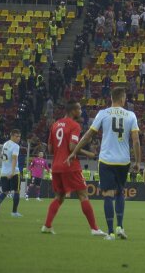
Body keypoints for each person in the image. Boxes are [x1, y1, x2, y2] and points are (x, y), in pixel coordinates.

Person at [67, 86, 141, 240]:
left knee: (108, 194)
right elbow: (136, 140)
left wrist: (75, 151)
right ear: (121, 99)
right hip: (123, 160)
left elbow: (88, 135)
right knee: (120, 192)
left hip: (107, 159)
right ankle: (120, 227)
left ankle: (110, 232)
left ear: (112, 99)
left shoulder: (103, 113)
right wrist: (138, 161)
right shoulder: (131, 115)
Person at [42, 101, 106, 236]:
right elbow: (72, 147)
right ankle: (94, 229)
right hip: (70, 166)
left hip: (56, 166)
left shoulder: (55, 125)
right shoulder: (74, 125)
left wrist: (60, 152)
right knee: (83, 195)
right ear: (73, 111)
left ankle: (47, 226)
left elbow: (50, 149)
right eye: (80, 108)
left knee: (59, 197)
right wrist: (88, 153)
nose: (81, 111)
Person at [0, 129, 22, 220]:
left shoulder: (5, 144)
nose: (18, 138)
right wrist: (12, 172)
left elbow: (2, 157)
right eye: (17, 136)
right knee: (17, 191)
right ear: (12, 136)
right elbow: (14, 159)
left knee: (5, 192)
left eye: (19, 136)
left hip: (4, 172)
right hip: (14, 172)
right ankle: (14, 212)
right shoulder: (16, 146)